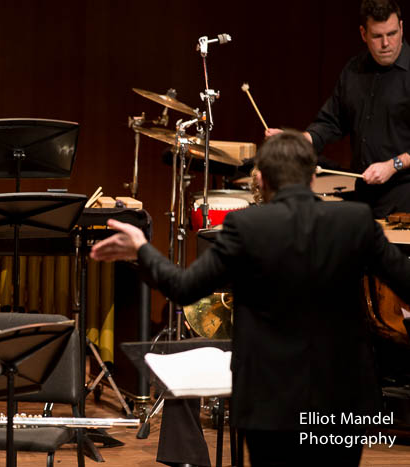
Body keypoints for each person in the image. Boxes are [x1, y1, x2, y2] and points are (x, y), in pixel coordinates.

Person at [91, 131, 410, 466]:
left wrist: (142, 248)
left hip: (268, 403)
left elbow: (183, 288)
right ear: (314, 175)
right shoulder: (356, 221)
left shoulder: (247, 225)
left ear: (260, 178)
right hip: (341, 402)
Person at [267, 0, 409, 218]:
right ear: (363, 34)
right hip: (365, 193)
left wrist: (393, 165)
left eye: (392, 33)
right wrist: (299, 140)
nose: (386, 44)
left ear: (401, 27)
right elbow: (331, 121)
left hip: (405, 196)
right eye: (377, 36)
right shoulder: (354, 71)